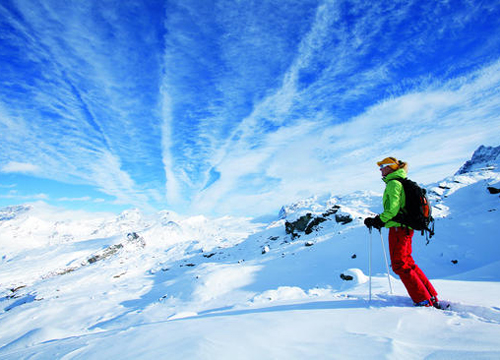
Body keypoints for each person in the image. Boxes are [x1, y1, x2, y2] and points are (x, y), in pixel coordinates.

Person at [364, 157, 439, 308]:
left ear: (391, 167)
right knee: (408, 262)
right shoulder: (400, 182)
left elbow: (392, 210)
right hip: (406, 228)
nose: (380, 169)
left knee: (399, 265)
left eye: (383, 166)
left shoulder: (393, 184)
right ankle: (430, 295)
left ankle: (422, 300)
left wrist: (378, 220)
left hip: (398, 229)